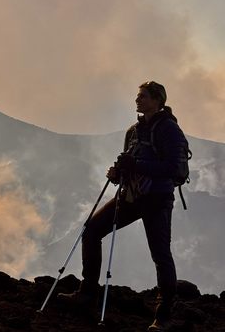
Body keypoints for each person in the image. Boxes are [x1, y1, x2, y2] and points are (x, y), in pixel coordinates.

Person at [58, 81, 189, 331]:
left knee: (160, 254)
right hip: (131, 195)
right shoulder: (134, 131)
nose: (137, 100)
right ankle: (87, 293)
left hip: (156, 199)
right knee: (93, 230)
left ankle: (163, 315)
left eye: (143, 96)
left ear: (157, 100)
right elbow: (132, 164)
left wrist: (135, 167)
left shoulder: (169, 130)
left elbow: (173, 169)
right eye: (138, 96)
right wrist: (118, 173)